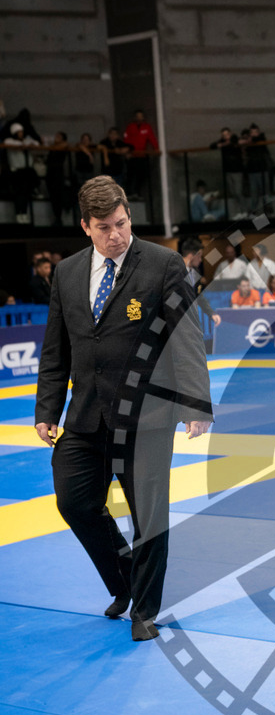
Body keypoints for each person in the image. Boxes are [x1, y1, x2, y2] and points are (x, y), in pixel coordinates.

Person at [34, 176, 212, 642]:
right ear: (85, 227)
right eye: (104, 227)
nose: (115, 234)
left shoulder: (164, 264)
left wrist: (196, 403)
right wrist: (46, 408)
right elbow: (56, 348)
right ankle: (124, 578)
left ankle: (145, 611)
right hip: (86, 414)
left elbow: (187, 336)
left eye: (121, 223)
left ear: (128, 215)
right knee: (73, 501)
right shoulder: (68, 273)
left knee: (148, 516)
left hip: (147, 416)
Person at [180, 236, 221, 326]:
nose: (200, 260)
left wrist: (211, 313)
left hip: (190, 321)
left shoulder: (195, 272)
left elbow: (199, 296)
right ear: (191, 256)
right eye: (199, 256)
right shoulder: (175, 270)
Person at [122, 109, 158, 200]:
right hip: (132, 156)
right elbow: (126, 140)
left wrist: (156, 149)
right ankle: (129, 193)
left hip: (142, 156)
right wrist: (128, 152)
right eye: (137, 116)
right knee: (130, 175)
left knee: (141, 175)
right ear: (135, 117)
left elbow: (152, 138)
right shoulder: (130, 127)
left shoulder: (146, 127)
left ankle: (137, 192)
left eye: (140, 116)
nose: (139, 118)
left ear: (143, 117)